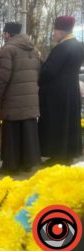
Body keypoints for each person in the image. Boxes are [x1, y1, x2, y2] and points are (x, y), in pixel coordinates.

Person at [0, 22, 41, 175]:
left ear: (7, 34)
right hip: (30, 100)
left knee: (11, 133)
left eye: (4, 33)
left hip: (13, 100)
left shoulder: (8, 49)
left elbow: (3, 78)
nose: (3, 36)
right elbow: (38, 73)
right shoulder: (33, 49)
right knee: (27, 131)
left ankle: (10, 166)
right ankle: (27, 163)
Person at [38, 16, 84, 165]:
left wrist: (40, 63)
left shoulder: (62, 47)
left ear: (62, 31)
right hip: (71, 90)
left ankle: (58, 156)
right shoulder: (77, 45)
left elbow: (49, 72)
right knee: (69, 123)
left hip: (58, 94)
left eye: (55, 31)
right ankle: (68, 154)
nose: (54, 34)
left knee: (57, 124)